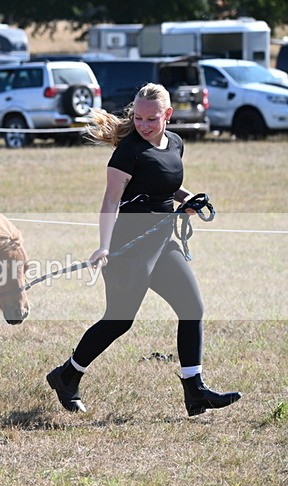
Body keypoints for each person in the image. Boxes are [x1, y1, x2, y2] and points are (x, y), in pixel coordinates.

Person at [46, 83, 241, 417]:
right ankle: (67, 375)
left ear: (168, 115)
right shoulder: (128, 152)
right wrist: (103, 247)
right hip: (130, 245)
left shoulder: (175, 143)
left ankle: (194, 391)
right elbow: (110, 199)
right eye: (138, 118)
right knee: (119, 320)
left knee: (192, 306)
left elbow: (165, 182)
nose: (144, 124)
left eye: (152, 118)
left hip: (163, 241)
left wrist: (187, 199)